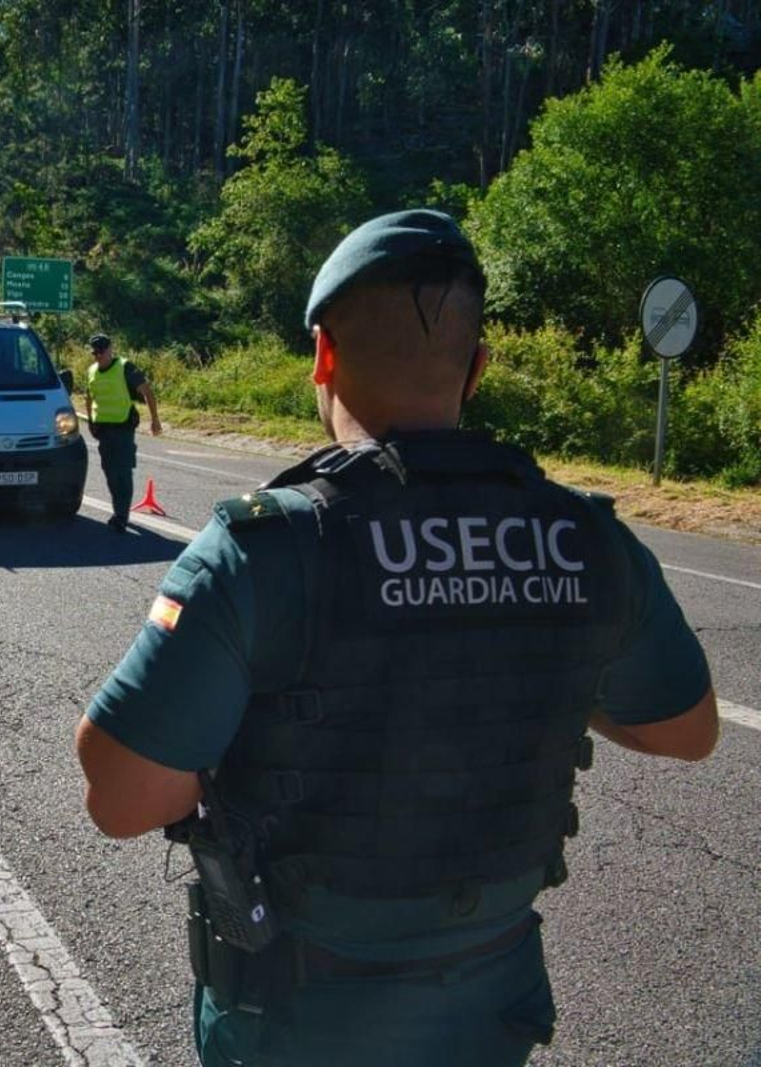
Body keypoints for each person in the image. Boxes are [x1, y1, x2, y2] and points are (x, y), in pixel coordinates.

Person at [75, 209, 718, 1066]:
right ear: (477, 369)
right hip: (488, 1009)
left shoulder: (262, 548)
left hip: (303, 1017)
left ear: (323, 357)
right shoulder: (589, 539)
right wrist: (537, 661)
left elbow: (121, 798)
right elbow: (689, 729)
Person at [84, 334, 161, 531]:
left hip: (123, 429)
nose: (99, 355)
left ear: (111, 349)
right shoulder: (92, 370)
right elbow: (89, 397)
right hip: (103, 430)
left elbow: (148, 392)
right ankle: (119, 511)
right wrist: (91, 421)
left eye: (102, 351)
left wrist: (155, 420)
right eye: (95, 352)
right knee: (110, 473)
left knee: (123, 473)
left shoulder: (125, 367)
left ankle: (121, 515)